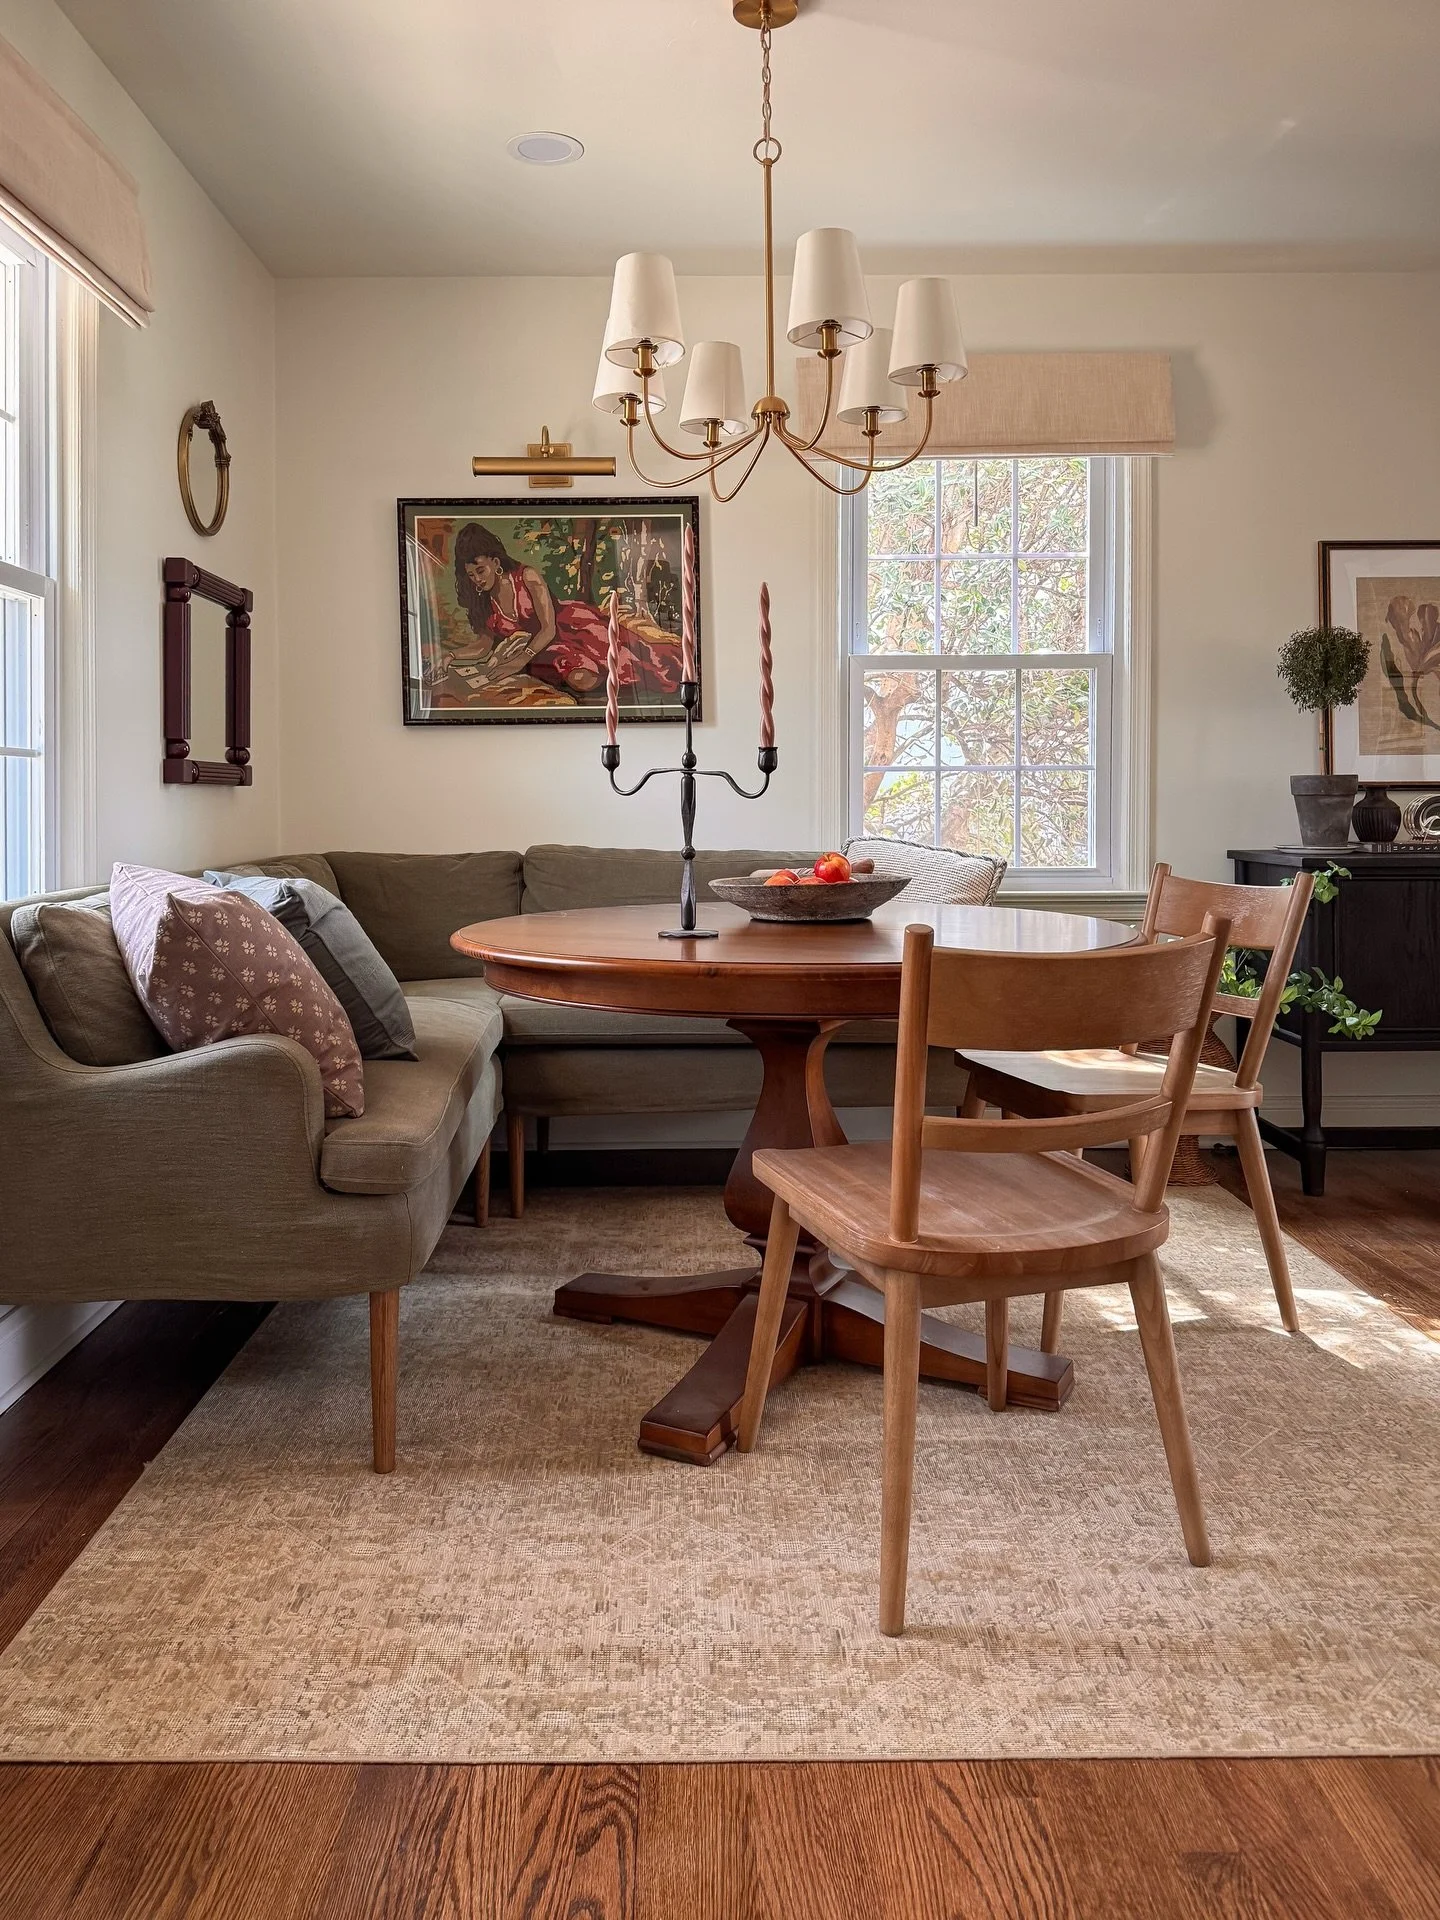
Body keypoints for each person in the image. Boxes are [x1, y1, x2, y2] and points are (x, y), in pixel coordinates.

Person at [442, 522, 682, 705]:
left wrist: (519, 660)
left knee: (625, 666)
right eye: (472, 575)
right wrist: (451, 655)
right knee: (579, 679)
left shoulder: (527, 577)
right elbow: (484, 644)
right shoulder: (484, 600)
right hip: (539, 653)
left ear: (495, 562)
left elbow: (548, 628)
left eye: (481, 571)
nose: (477, 580)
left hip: (568, 630)